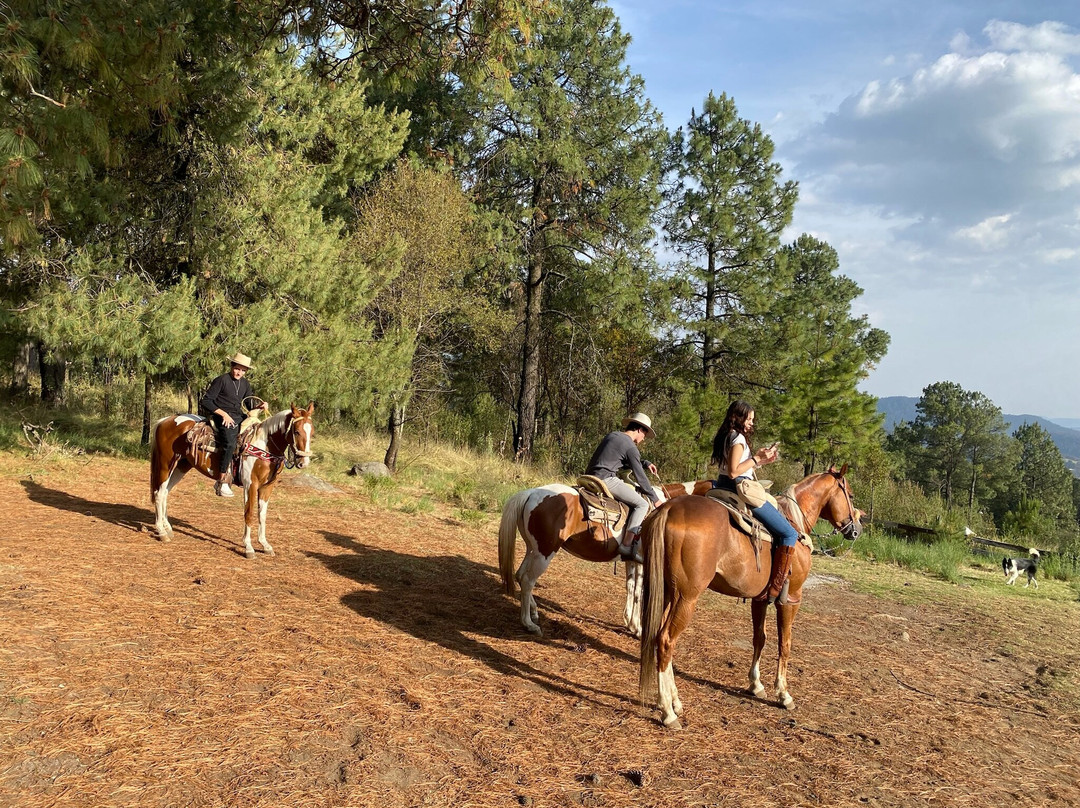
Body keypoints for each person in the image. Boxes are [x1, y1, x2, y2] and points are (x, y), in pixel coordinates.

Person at [711, 400, 799, 604]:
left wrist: (761, 460)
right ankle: (776, 588)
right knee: (789, 533)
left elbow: (734, 468)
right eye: (749, 419)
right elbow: (734, 471)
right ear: (738, 418)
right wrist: (757, 459)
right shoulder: (738, 438)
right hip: (740, 488)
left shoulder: (725, 435)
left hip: (722, 486)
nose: (751, 423)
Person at [585, 412, 666, 564]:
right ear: (640, 430)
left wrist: (645, 462)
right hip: (606, 479)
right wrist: (655, 499)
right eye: (645, 435)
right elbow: (641, 478)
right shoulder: (630, 446)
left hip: (590, 476)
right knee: (642, 504)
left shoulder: (612, 435)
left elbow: (621, 458)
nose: (643, 440)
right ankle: (626, 545)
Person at [200, 352, 257, 498]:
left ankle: (244, 472)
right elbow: (206, 401)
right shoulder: (221, 380)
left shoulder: (245, 384)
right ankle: (222, 480)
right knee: (230, 443)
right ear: (232, 366)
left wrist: (260, 406)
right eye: (237, 369)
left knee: (253, 435)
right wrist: (223, 414)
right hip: (221, 416)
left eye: (243, 370)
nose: (240, 372)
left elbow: (249, 404)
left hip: (237, 416)